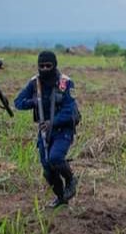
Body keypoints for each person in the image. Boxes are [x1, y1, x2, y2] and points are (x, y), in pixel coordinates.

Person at [14, 51, 79, 208]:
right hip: (44, 132)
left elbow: (70, 110)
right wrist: (34, 101)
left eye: (48, 66)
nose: (44, 69)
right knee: (48, 170)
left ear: (54, 65)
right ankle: (61, 198)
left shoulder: (65, 83)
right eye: (41, 66)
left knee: (55, 158)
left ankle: (71, 180)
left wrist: (53, 122)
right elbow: (18, 102)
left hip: (63, 130)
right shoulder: (34, 83)